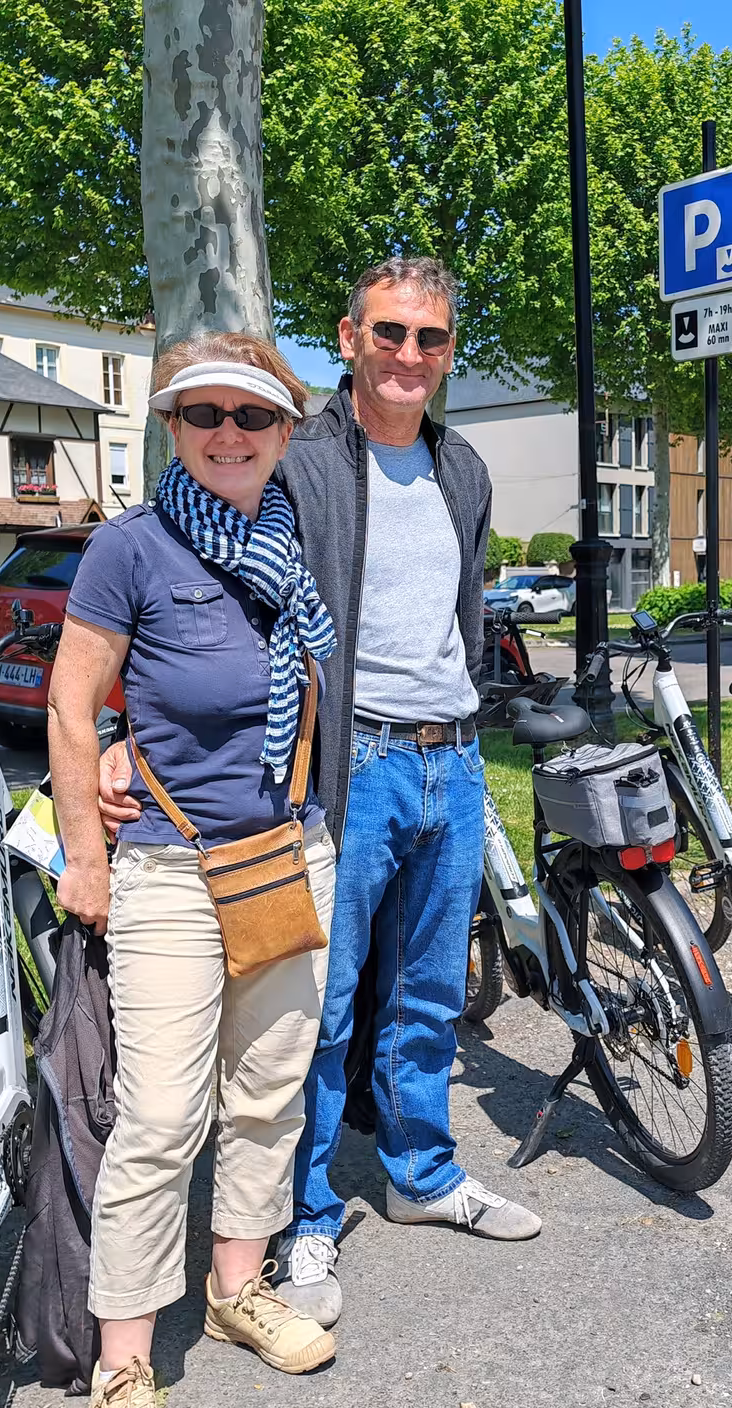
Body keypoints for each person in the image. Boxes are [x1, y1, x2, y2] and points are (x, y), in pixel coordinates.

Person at [100, 258, 540, 1333]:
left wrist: (472, 713)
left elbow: (462, 612)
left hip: (452, 757)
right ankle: (302, 1214)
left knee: (430, 993)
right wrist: (119, 729)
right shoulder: (300, 460)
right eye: (389, 333)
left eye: (430, 338)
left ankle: (422, 1173)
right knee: (322, 1010)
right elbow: (195, 597)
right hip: (347, 766)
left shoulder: (463, 467)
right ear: (349, 337)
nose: (409, 356)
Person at [48, 332, 339, 1408]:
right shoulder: (131, 547)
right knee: (163, 1113)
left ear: (283, 433)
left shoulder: (289, 542)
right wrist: (86, 849)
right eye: (203, 414)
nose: (227, 434)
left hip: (286, 856)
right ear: (170, 426)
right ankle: (122, 1363)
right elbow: (74, 707)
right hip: (170, 868)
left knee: (269, 1094)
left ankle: (234, 1291)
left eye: (252, 416)